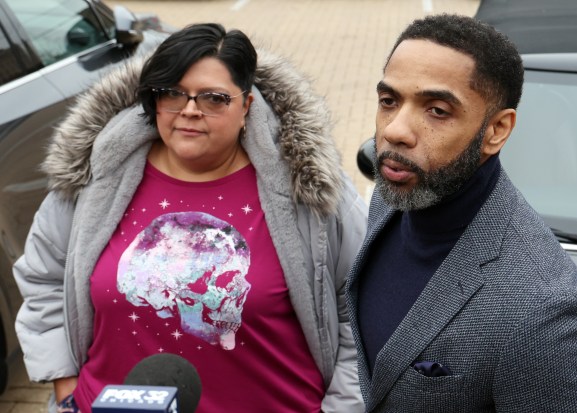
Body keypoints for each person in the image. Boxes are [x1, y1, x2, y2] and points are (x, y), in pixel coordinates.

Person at [13, 23, 367, 413]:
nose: (190, 110)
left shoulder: (309, 189)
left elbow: (364, 307)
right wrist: (67, 388)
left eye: (214, 98)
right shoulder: (96, 179)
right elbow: (43, 277)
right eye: (173, 94)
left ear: (247, 105)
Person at [345, 13, 577, 412]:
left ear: (497, 130)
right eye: (389, 100)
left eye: (436, 110)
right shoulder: (394, 196)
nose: (395, 130)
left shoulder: (543, 311)